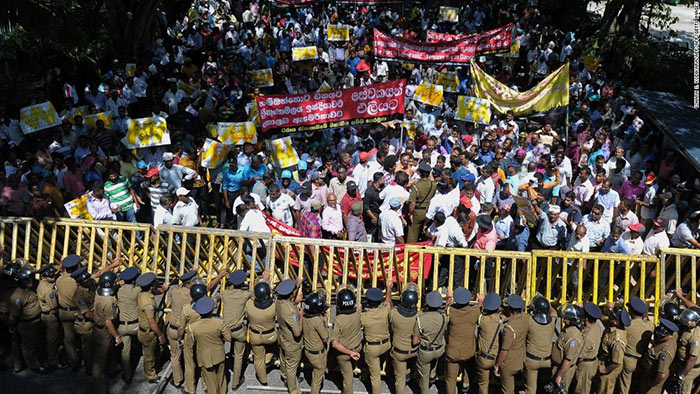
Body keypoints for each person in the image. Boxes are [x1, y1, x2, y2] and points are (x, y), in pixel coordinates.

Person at [9, 264, 46, 374]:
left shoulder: (32, 287)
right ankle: (34, 366)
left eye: (30, 278)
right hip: (27, 324)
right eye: (26, 280)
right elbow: (14, 315)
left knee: (35, 343)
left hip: (37, 321)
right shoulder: (18, 296)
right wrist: (12, 326)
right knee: (28, 346)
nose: (30, 281)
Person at [189, 297, 232, 394]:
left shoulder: (192, 327)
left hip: (204, 356)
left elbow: (191, 343)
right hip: (219, 353)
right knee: (221, 377)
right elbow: (228, 338)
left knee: (210, 380)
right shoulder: (219, 323)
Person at [443, 287, 479, 394]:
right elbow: (481, 308)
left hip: (453, 352)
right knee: (467, 365)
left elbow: (447, 307)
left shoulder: (451, 311)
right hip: (469, 350)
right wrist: (480, 300)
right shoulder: (475, 312)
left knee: (450, 379)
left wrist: (449, 298)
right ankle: (466, 383)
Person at [412, 291, 447, 394]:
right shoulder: (444, 317)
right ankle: (433, 374)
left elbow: (415, 341)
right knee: (434, 361)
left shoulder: (420, 319)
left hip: (426, 352)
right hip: (439, 349)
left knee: (423, 377)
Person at [618, 296, 655, 393]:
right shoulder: (649, 326)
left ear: (631, 311)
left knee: (624, 387)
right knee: (636, 387)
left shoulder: (628, 325)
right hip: (641, 360)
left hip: (628, 359)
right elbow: (646, 319)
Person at [92, 271, 121, 394]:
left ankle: (110, 370)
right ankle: (99, 389)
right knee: (99, 362)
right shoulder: (109, 301)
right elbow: (108, 322)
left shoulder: (98, 292)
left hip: (96, 328)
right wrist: (116, 336)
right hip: (104, 332)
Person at [136, 272, 167, 383]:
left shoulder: (142, 294)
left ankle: (153, 369)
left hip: (144, 330)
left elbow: (154, 292)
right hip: (149, 332)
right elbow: (152, 322)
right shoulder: (148, 302)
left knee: (152, 352)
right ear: (152, 286)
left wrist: (163, 290)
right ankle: (151, 375)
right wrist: (160, 335)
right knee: (149, 355)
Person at [361, 283, 393, 394]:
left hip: (372, 349)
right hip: (386, 345)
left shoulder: (364, 316)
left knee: (375, 376)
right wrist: (389, 289)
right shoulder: (385, 310)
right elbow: (388, 301)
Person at [494, 294, 529, 394]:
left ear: (509, 308)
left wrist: (497, 366)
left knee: (507, 391)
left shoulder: (509, 328)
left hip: (509, 364)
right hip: (521, 360)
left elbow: (504, 350)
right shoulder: (526, 318)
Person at [275, 277, 303, 394]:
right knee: (292, 367)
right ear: (291, 294)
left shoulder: (279, 302)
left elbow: (289, 299)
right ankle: (294, 390)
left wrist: (296, 285)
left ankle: (284, 375)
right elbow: (297, 332)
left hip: (283, 338)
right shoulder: (290, 310)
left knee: (284, 360)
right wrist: (301, 316)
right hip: (292, 343)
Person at [331, 287, 362, 394]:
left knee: (348, 379)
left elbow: (334, 344)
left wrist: (350, 353)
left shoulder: (338, 320)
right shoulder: (358, 314)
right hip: (357, 347)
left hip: (345, 353)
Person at [246, 279, 277, 385]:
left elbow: (250, 295)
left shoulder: (249, 305)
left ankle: (263, 380)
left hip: (255, 336)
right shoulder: (273, 307)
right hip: (270, 336)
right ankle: (269, 357)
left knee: (258, 358)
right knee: (276, 346)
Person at [389, 284, 419, 394]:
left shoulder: (394, 314)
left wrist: (389, 290)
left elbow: (388, 305)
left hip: (399, 352)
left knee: (399, 380)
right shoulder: (419, 316)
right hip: (414, 351)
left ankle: (405, 374)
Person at [524, 296, 557, 394]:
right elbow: (554, 312)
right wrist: (548, 303)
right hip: (547, 361)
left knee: (530, 390)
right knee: (545, 388)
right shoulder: (552, 321)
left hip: (532, 361)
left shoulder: (529, 321)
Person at [56, 254, 82, 369]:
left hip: (64, 312)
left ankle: (73, 362)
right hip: (77, 311)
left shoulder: (59, 279)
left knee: (68, 338)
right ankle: (85, 360)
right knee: (83, 335)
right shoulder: (77, 280)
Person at [36, 264, 64, 370]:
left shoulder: (43, 283)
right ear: (44, 276)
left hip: (45, 315)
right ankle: (53, 361)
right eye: (50, 276)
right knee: (52, 340)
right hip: (51, 317)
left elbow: (55, 272)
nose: (53, 277)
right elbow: (54, 308)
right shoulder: (48, 291)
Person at [640, 318, 679, 394]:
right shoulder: (671, 337)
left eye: (662, 335)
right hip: (648, 374)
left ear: (669, 335)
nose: (658, 336)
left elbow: (661, 375)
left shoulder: (665, 353)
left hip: (653, 379)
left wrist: (652, 384)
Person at [551, 304, 584, 391]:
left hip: (564, 371)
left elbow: (568, 360)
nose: (564, 318)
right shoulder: (568, 329)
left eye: (567, 317)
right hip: (559, 367)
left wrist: (559, 376)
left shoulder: (573, 338)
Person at [598, 306, 630, 394]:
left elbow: (617, 362)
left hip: (610, 367)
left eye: (611, 317)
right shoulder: (612, 329)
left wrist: (605, 370)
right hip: (606, 362)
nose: (609, 318)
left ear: (616, 322)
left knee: (605, 390)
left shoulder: (617, 340)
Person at [302, 292, 329, 394]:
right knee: (317, 379)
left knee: (314, 371)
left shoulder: (304, 317)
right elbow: (325, 338)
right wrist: (325, 324)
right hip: (317, 354)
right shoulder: (317, 321)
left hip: (308, 351)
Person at [573, 302, 602, 394]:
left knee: (582, 390)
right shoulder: (597, 325)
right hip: (592, 362)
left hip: (585, 366)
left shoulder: (588, 337)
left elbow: (579, 354)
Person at [476, 292, 502, 394]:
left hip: (484, 358)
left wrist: (480, 302)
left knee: (483, 384)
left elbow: (478, 313)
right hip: (497, 357)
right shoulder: (501, 320)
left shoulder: (483, 320)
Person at [407, 162, 436, 242]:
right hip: (428, 211)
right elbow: (432, 180)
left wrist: (410, 214)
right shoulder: (433, 185)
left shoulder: (416, 186)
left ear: (419, 173)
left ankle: (411, 253)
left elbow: (412, 203)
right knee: (425, 235)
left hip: (417, 212)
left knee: (412, 235)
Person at [676, 307, 700, 394]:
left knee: (684, 390)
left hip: (690, 369)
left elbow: (692, 358)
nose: (688, 322)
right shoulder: (691, 330)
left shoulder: (695, 338)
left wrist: (683, 375)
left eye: (691, 320)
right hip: (684, 364)